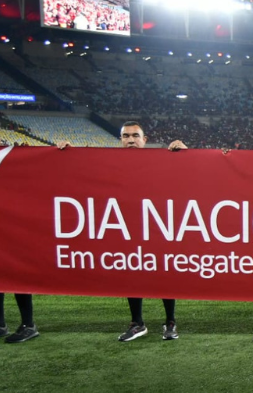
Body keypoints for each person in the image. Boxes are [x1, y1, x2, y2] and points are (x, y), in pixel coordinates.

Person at [58, 122, 187, 342]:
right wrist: (68, 154)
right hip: (126, 227)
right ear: (120, 140)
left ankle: (170, 321)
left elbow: (188, 177)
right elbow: (84, 174)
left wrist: (186, 154)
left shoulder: (163, 159)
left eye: (135, 135)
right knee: (132, 272)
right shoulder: (111, 163)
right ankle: (137, 323)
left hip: (158, 226)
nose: (130, 139)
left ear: (144, 140)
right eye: (125, 136)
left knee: (165, 273)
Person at [0, 124, 40, 343]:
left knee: (16, 275)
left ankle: (28, 324)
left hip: (11, 230)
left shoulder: (11, 159)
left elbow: (39, 172)